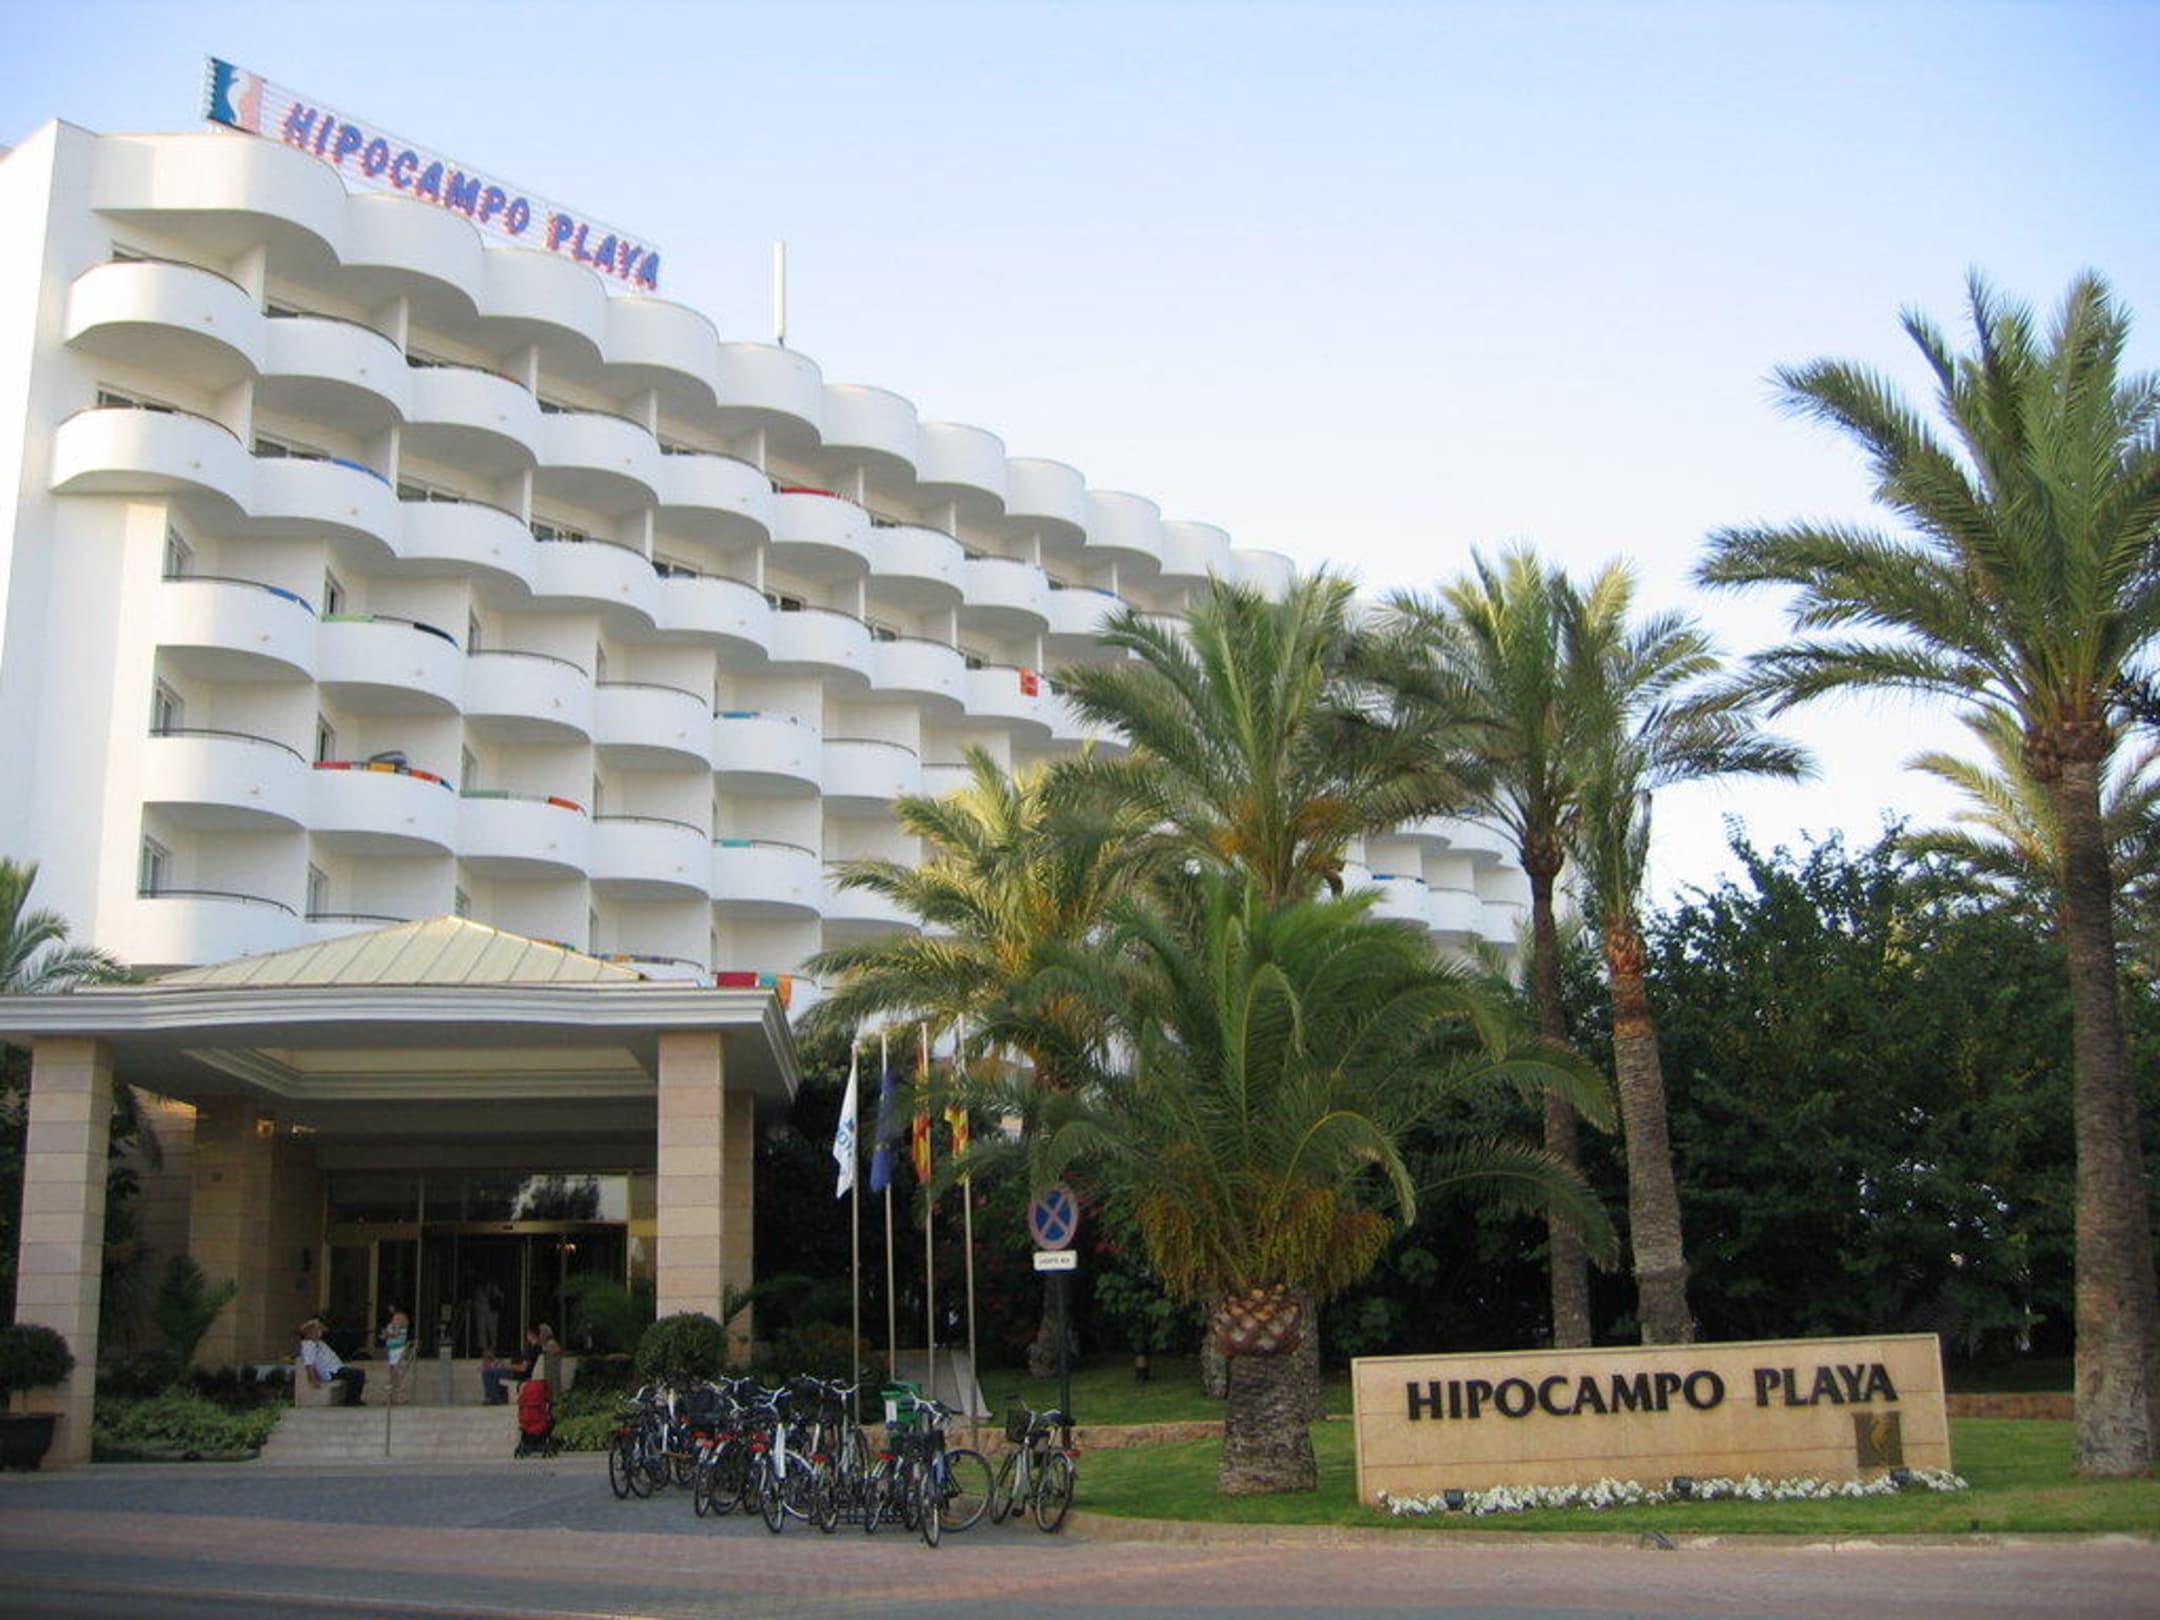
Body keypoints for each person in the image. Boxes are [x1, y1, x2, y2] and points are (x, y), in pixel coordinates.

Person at [298, 1317, 365, 1406]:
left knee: (356, 1373)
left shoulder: (318, 1342)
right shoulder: (309, 1345)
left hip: (337, 1369)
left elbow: (326, 1329)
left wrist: (317, 1324)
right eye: (316, 1330)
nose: (319, 1332)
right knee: (357, 1374)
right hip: (331, 1372)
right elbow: (309, 1364)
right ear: (310, 1333)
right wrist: (313, 1381)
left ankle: (352, 1400)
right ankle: (351, 1401)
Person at [481, 1324, 552, 1406]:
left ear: (530, 1335)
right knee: (493, 1371)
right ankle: (497, 1397)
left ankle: (493, 1398)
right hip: (519, 1372)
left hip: (520, 1374)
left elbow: (523, 1368)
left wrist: (507, 1366)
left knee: (487, 1372)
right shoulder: (535, 1348)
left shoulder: (533, 1349)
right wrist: (504, 1364)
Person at [379, 1305, 414, 1404]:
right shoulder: (391, 1326)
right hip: (392, 1350)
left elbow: (396, 1333)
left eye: (397, 1319)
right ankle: (392, 1397)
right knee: (392, 1373)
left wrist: (388, 1333)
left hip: (398, 1350)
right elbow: (387, 1335)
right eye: (394, 1319)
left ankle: (400, 1397)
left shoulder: (401, 1328)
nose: (394, 1321)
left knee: (397, 1371)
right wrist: (385, 1334)